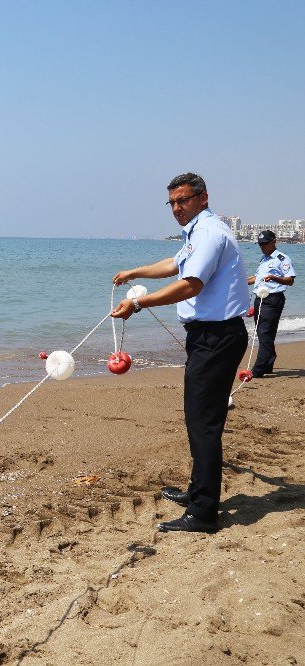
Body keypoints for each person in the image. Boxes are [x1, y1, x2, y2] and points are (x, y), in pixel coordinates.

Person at [110, 173, 249, 534]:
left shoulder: (210, 233)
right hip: (207, 338)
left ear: (203, 198)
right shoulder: (196, 233)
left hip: (217, 337)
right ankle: (197, 491)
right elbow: (176, 265)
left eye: (183, 200)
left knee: (203, 423)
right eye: (171, 202)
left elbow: (191, 284)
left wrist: (137, 303)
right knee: (198, 419)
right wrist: (135, 272)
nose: (176, 208)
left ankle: (204, 513)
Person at [247, 230, 295, 377]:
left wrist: (275, 278)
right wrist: (241, 282)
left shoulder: (282, 258)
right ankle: (268, 364)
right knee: (263, 334)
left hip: (272, 299)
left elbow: (290, 280)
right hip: (259, 299)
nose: (262, 247)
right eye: (260, 244)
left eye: (265, 244)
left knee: (265, 332)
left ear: (274, 241)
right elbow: (257, 277)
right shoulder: (264, 259)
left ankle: (259, 369)